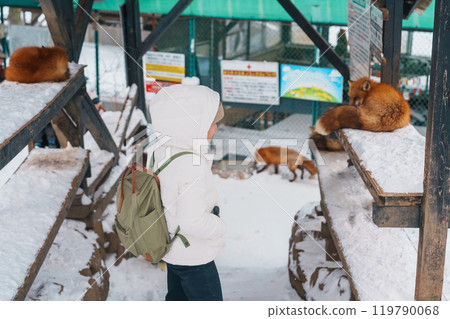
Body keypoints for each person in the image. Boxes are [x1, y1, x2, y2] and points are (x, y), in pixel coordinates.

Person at [149, 85, 226, 301]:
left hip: (173, 249)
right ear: (192, 125)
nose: (216, 129)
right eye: (212, 123)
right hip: (194, 256)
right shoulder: (191, 164)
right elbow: (192, 221)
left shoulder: (161, 150)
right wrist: (219, 226)